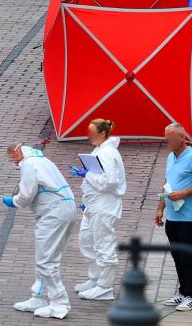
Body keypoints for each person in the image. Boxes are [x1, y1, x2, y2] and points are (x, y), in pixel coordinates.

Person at [0, 143, 77, 319]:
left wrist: (14, 201)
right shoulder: (42, 160)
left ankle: (59, 303)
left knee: (46, 260)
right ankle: (39, 296)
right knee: (48, 257)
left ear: (17, 152)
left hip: (53, 212)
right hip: (63, 208)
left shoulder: (29, 163)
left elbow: (27, 195)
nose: (13, 161)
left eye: (12, 157)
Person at [155, 123, 192, 311]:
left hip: (188, 218)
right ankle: (182, 292)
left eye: (169, 138)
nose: (167, 141)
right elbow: (167, 184)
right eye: (166, 138)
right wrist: (160, 208)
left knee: (187, 256)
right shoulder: (171, 157)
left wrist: (184, 193)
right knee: (177, 255)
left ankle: (191, 295)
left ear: (181, 138)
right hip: (172, 216)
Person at [70, 119, 126, 300]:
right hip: (94, 206)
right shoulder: (99, 150)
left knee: (104, 245)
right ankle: (95, 278)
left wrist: (88, 175)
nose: (89, 135)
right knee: (86, 240)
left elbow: (109, 182)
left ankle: (105, 287)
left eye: (92, 132)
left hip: (104, 206)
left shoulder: (108, 153)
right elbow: (98, 176)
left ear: (102, 133)